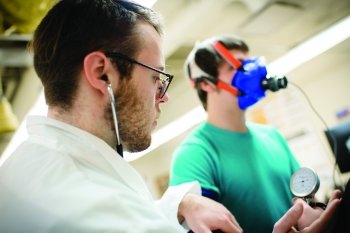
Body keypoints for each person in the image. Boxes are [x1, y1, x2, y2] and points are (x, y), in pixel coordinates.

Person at [0, 1, 243, 232]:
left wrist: (175, 205)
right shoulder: (101, 214)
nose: (163, 97)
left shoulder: (22, 171)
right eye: (155, 78)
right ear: (102, 73)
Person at [169, 35, 301, 233]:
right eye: (236, 66)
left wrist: (313, 211)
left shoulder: (273, 136)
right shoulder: (194, 153)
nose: (250, 72)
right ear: (206, 83)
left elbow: (303, 198)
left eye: (247, 63)